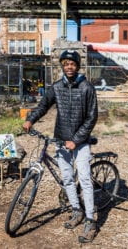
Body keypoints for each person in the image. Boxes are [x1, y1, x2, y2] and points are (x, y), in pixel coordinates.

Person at [23, 49, 98, 243]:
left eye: (72, 64)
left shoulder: (87, 87)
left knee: (85, 179)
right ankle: (76, 211)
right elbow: (43, 106)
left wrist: (77, 139)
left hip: (80, 143)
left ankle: (91, 220)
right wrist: (30, 120)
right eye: (66, 64)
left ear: (77, 65)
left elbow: (92, 117)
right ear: (62, 66)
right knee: (67, 178)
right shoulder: (56, 87)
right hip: (61, 141)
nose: (69, 67)